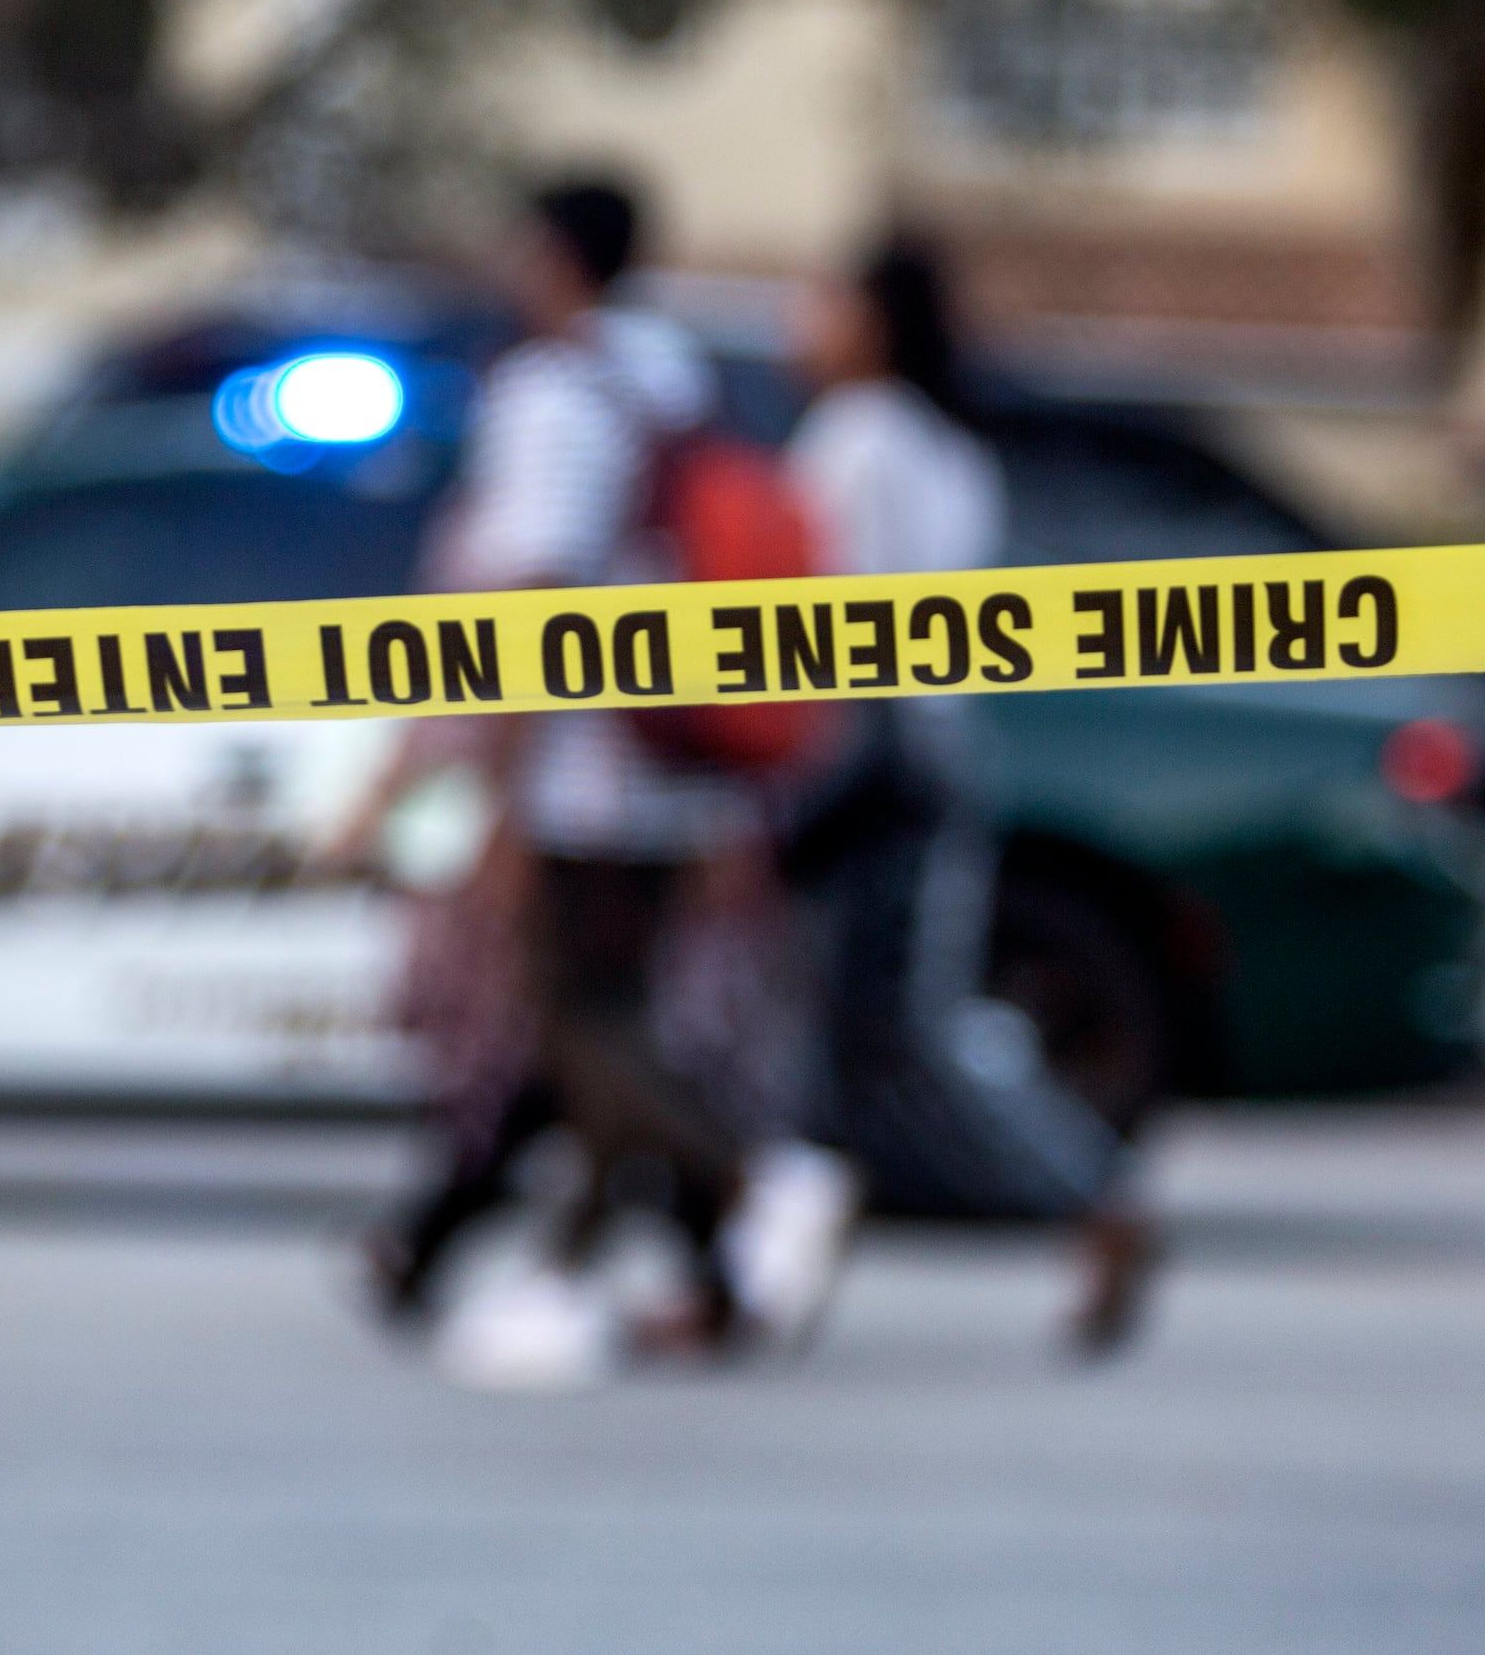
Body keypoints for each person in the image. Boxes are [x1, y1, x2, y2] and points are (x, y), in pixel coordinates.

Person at [349, 178, 854, 1383]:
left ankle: (757, 1183)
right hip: (686, 746)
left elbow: (534, 601)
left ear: (550, 258)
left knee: (578, 1016)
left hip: (591, 765)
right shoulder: (667, 372)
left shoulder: (549, 394)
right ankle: (581, 1281)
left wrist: (501, 802)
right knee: (606, 1013)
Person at [781, 238, 1158, 1354]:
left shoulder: (860, 441)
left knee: (898, 1018)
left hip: (876, 755)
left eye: (823, 302)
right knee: (838, 1031)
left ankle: (1095, 1198)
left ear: (874, 322)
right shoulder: (948, 447)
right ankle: (767, 1274)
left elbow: (830, 627)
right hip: (934, 747)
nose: (800, 324)